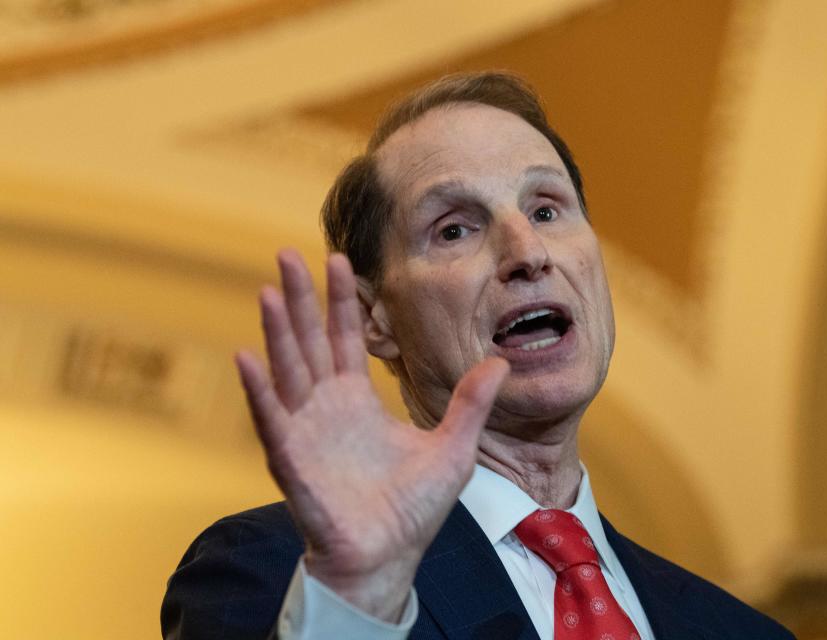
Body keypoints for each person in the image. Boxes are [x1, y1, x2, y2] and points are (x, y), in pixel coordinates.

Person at [161, 72, 795, 640]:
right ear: (371, 317)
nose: (527, 251)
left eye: (546, 209)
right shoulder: (271, 572)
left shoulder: (740, 631)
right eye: (455, 229)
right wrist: (355, 601)